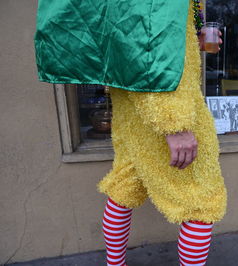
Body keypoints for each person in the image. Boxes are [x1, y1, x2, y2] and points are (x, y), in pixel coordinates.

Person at [34, 1, 227, 265]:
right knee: (202, 202)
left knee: (126, 184)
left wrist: (193, 33)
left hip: (133, 109)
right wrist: (176, 125)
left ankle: (115, 264)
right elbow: (151, 45)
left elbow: (137, 39)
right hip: (166, 105)